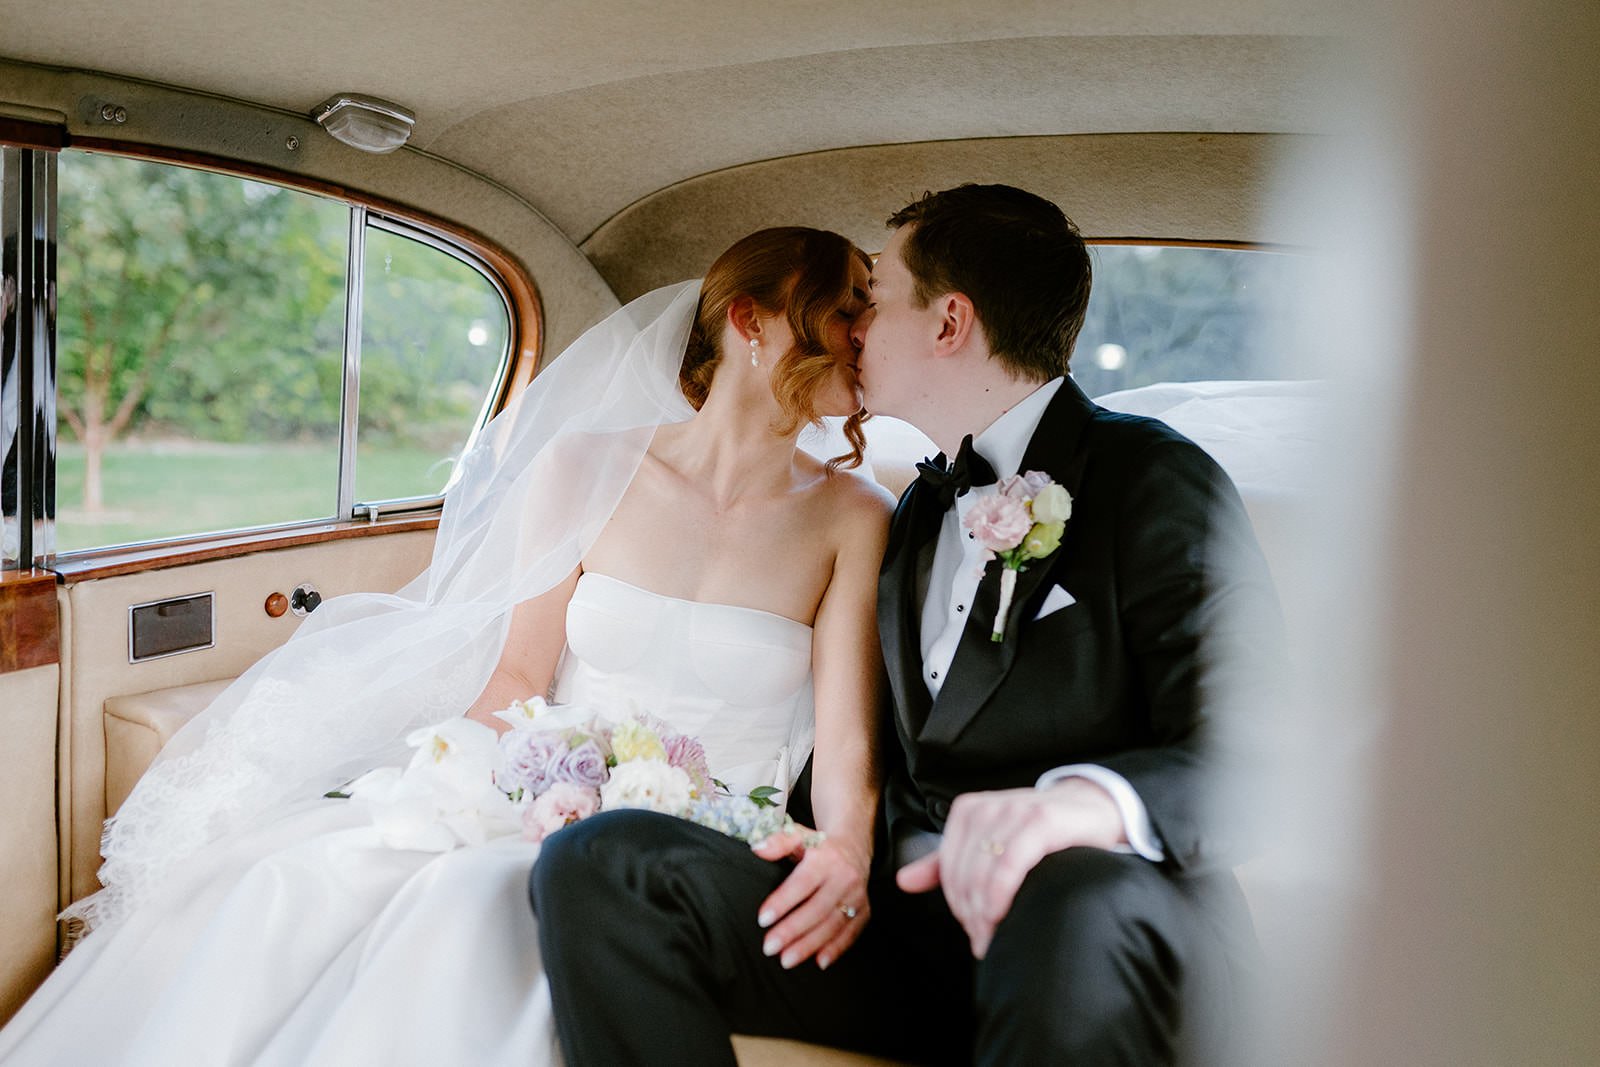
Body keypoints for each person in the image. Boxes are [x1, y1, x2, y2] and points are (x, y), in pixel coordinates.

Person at [0, 226, 892, 1065]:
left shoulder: (854, 516)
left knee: (474, 911)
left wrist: (846, 852)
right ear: (752, 321)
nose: (868, 332)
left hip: (717, 830)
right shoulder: (585, 466)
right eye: (849, 307)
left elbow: (849, 739)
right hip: (557, 787)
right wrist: (516, 787)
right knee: (323, 881)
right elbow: (519, 675)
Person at [532, 184, 1284, 1064]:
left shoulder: (1151, 480)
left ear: (949, 322)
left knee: (1070, 895)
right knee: (604, 864)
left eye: (874, 298)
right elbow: (858, 737)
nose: (852, 328)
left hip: (1085, 927)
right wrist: (839, 855)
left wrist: (1079, 808)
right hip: (904, 937)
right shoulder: (915, 511)